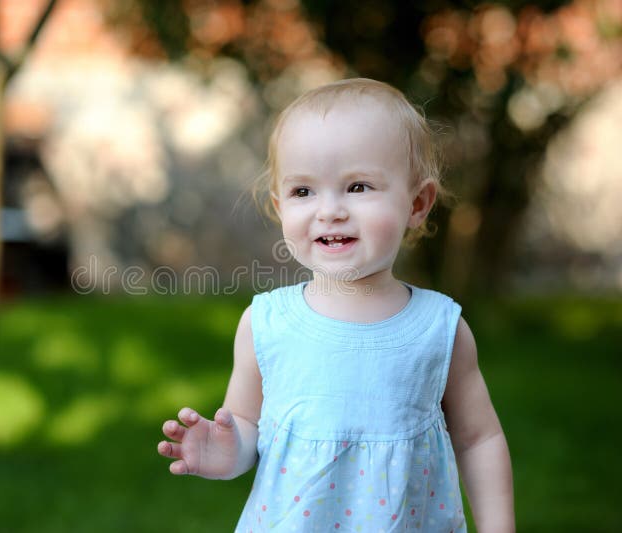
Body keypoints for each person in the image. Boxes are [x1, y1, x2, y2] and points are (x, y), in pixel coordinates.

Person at [157, 78, 515, 532]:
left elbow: (479, 439)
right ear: (279, 205)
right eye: (303, 192)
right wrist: (227, 451)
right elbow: (248, 424)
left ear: (417, 204)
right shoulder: (266, 324)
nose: (330, 211)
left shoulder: (438, 328)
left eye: (358, 187)